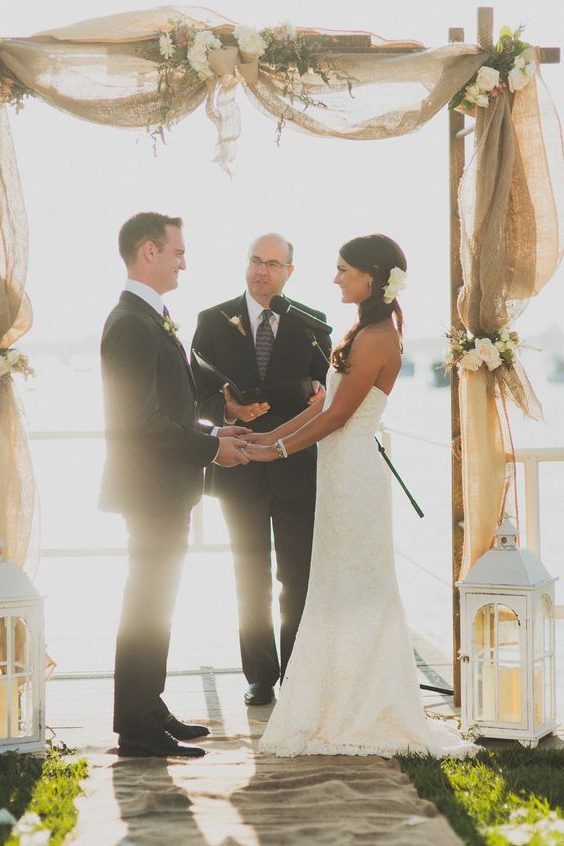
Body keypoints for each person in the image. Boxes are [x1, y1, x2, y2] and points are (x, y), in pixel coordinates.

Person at [245, 234, 477, 758]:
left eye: (342, 269)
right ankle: (335, 695)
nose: (335, 278)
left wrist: (276, 452)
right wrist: (262, 439)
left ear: (370, 277)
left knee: (355, 586)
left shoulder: (377, 337)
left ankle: (362, 701)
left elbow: (338, 417)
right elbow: (324, 402)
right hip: (339, 471)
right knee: (331, 584)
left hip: (354, 479)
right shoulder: (361, 329)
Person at [100, 212, 250, 758]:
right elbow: (138, 422)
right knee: (147, 604)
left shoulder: (150, 316)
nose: (185, 261)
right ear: (149, 252)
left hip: (166, 488)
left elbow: (171, 408)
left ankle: (149, 705)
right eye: (178, 251)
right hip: (151, 492)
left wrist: (214, 428)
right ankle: (136, 727)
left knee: (156, 603)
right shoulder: (130, 324)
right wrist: (213, 449)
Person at [190, 233, 331, 707]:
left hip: (296, 468)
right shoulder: (211, 320)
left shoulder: (312, 323)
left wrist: (316, 388)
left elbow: (329, 391)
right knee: (247, 575)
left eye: (273, 263)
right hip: (239, 466)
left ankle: (298, 668)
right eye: (255, 260)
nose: (261, 270)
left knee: (298, 575)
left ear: (290, 271)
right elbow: (195, 395)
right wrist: (228, 412)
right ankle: (259, 675)